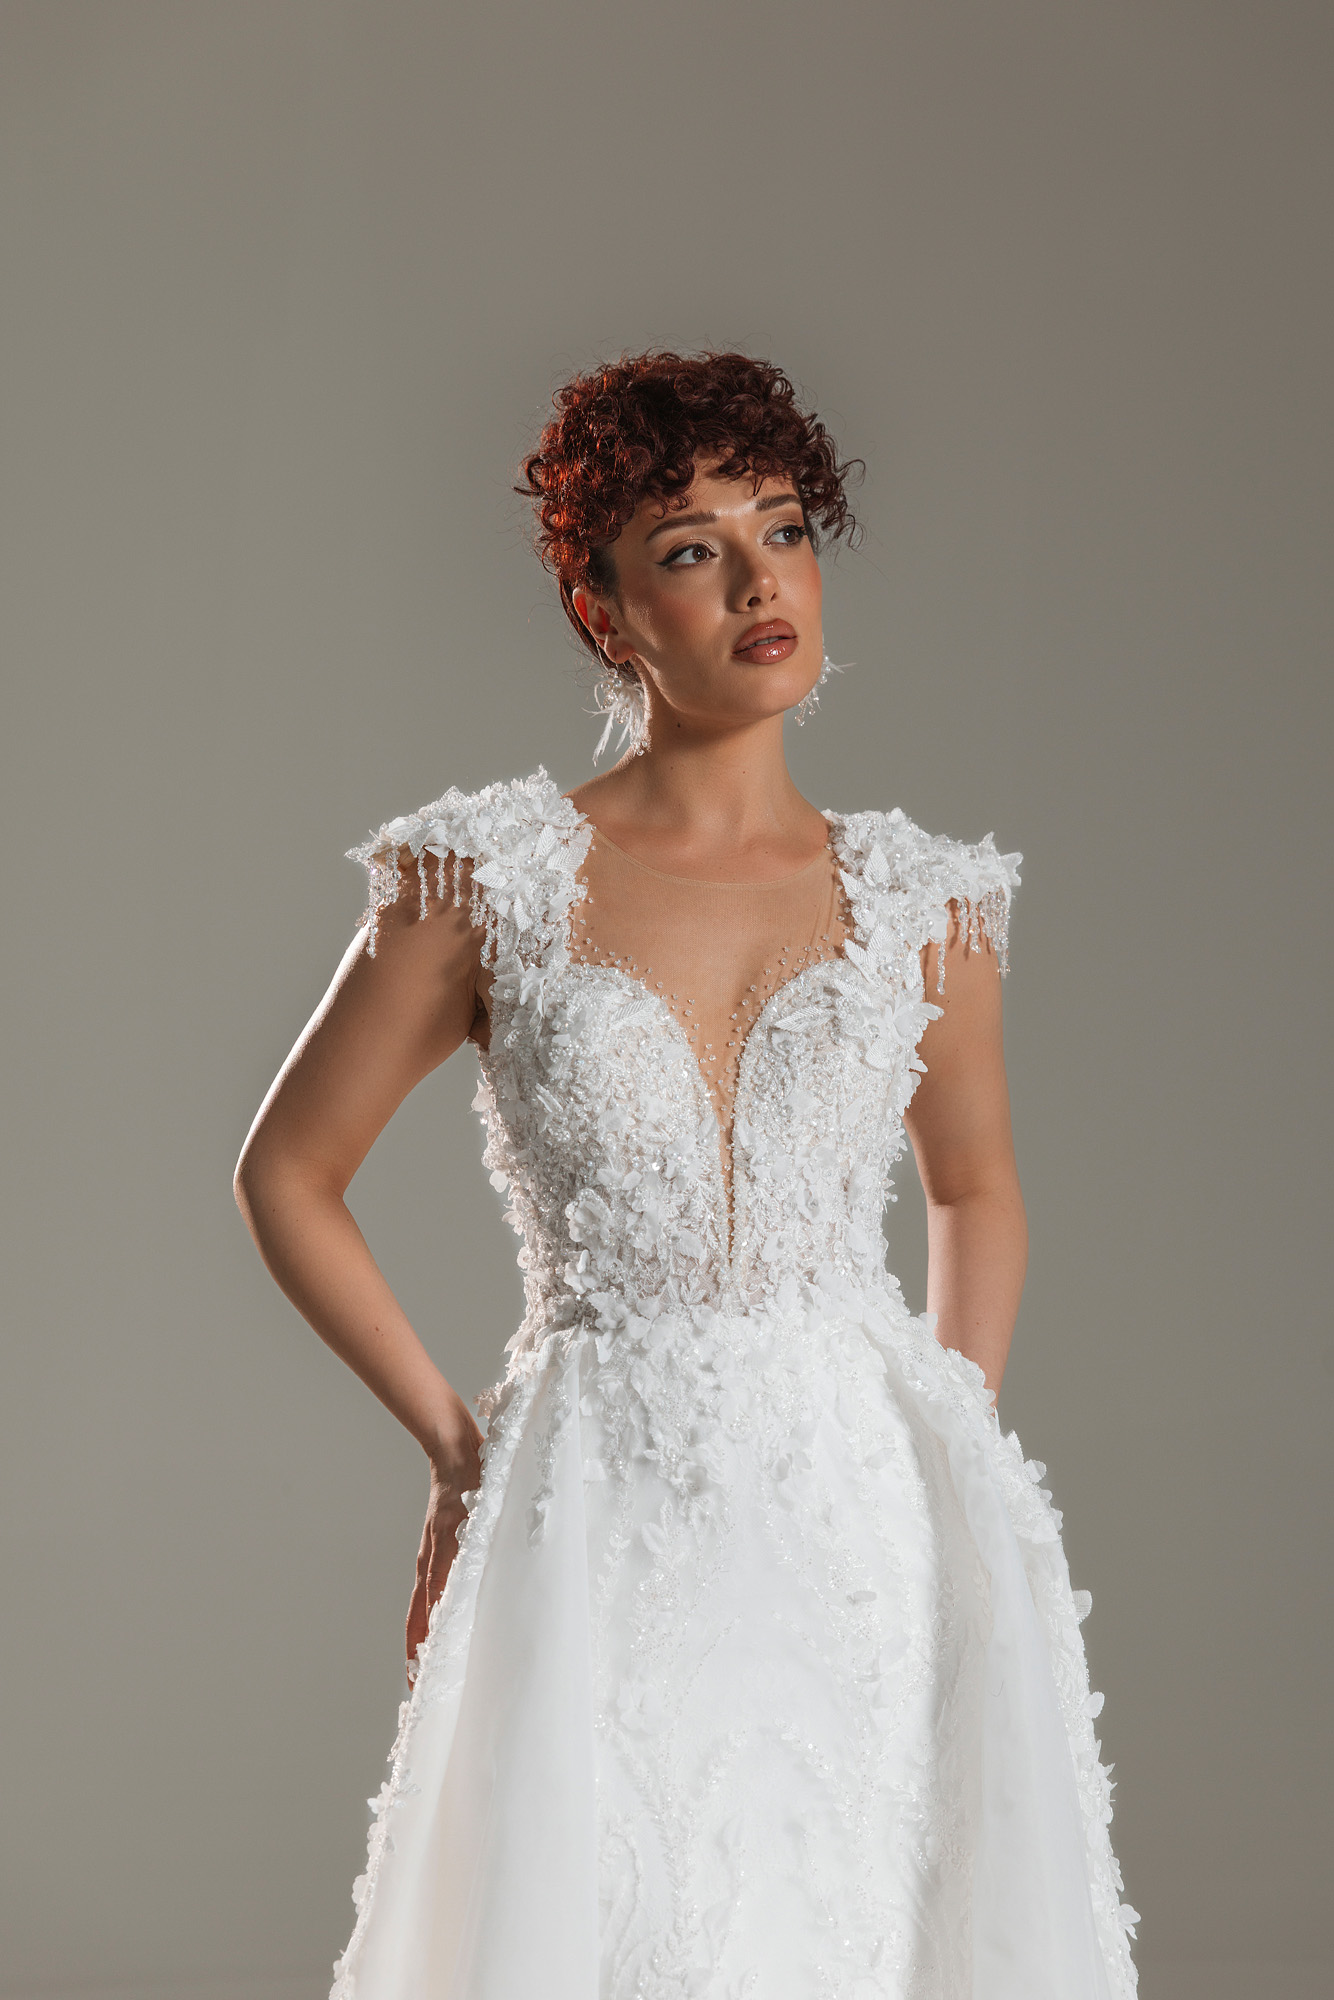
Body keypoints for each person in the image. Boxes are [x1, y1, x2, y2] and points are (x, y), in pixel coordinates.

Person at [234, 351, 1139, 1999]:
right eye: (688, 550)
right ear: (606, 615)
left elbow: (974, 1185)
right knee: (609, 1916)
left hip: (862, 1499)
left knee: (856, 1912)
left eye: (781, 529)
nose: (756, 581)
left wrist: (954, 1441)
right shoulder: (486, 879)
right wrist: (456, 1454)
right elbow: (289, 1171)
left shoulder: (923, 901)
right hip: (599, 1487)